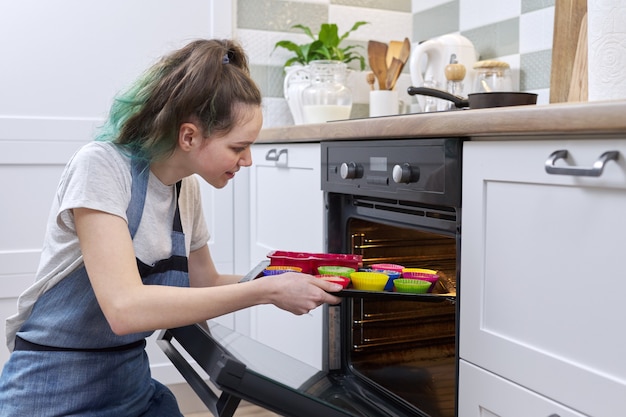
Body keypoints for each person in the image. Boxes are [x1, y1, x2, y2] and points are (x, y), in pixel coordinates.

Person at [0, 38, 343, 416]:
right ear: (189, 136)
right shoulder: (101, 166)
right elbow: (124, 308)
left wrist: (287, 276)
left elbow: (205, 283)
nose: (247, 160)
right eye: (238, 147)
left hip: (129, 382)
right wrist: (266, 291)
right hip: (52, 389)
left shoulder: (186, 189)